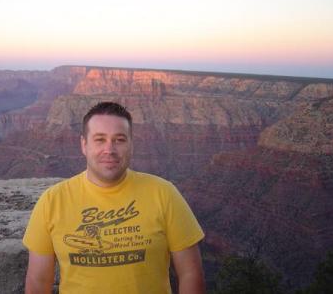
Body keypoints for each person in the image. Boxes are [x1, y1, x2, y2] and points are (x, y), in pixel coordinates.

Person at [23, 101, 205, 294]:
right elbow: (38, 281)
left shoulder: (164, 193)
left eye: (119, 139)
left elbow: (190, 273)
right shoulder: (52, 201)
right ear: (84, 145)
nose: (109, 149)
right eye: (100, 139)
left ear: (131, 144)